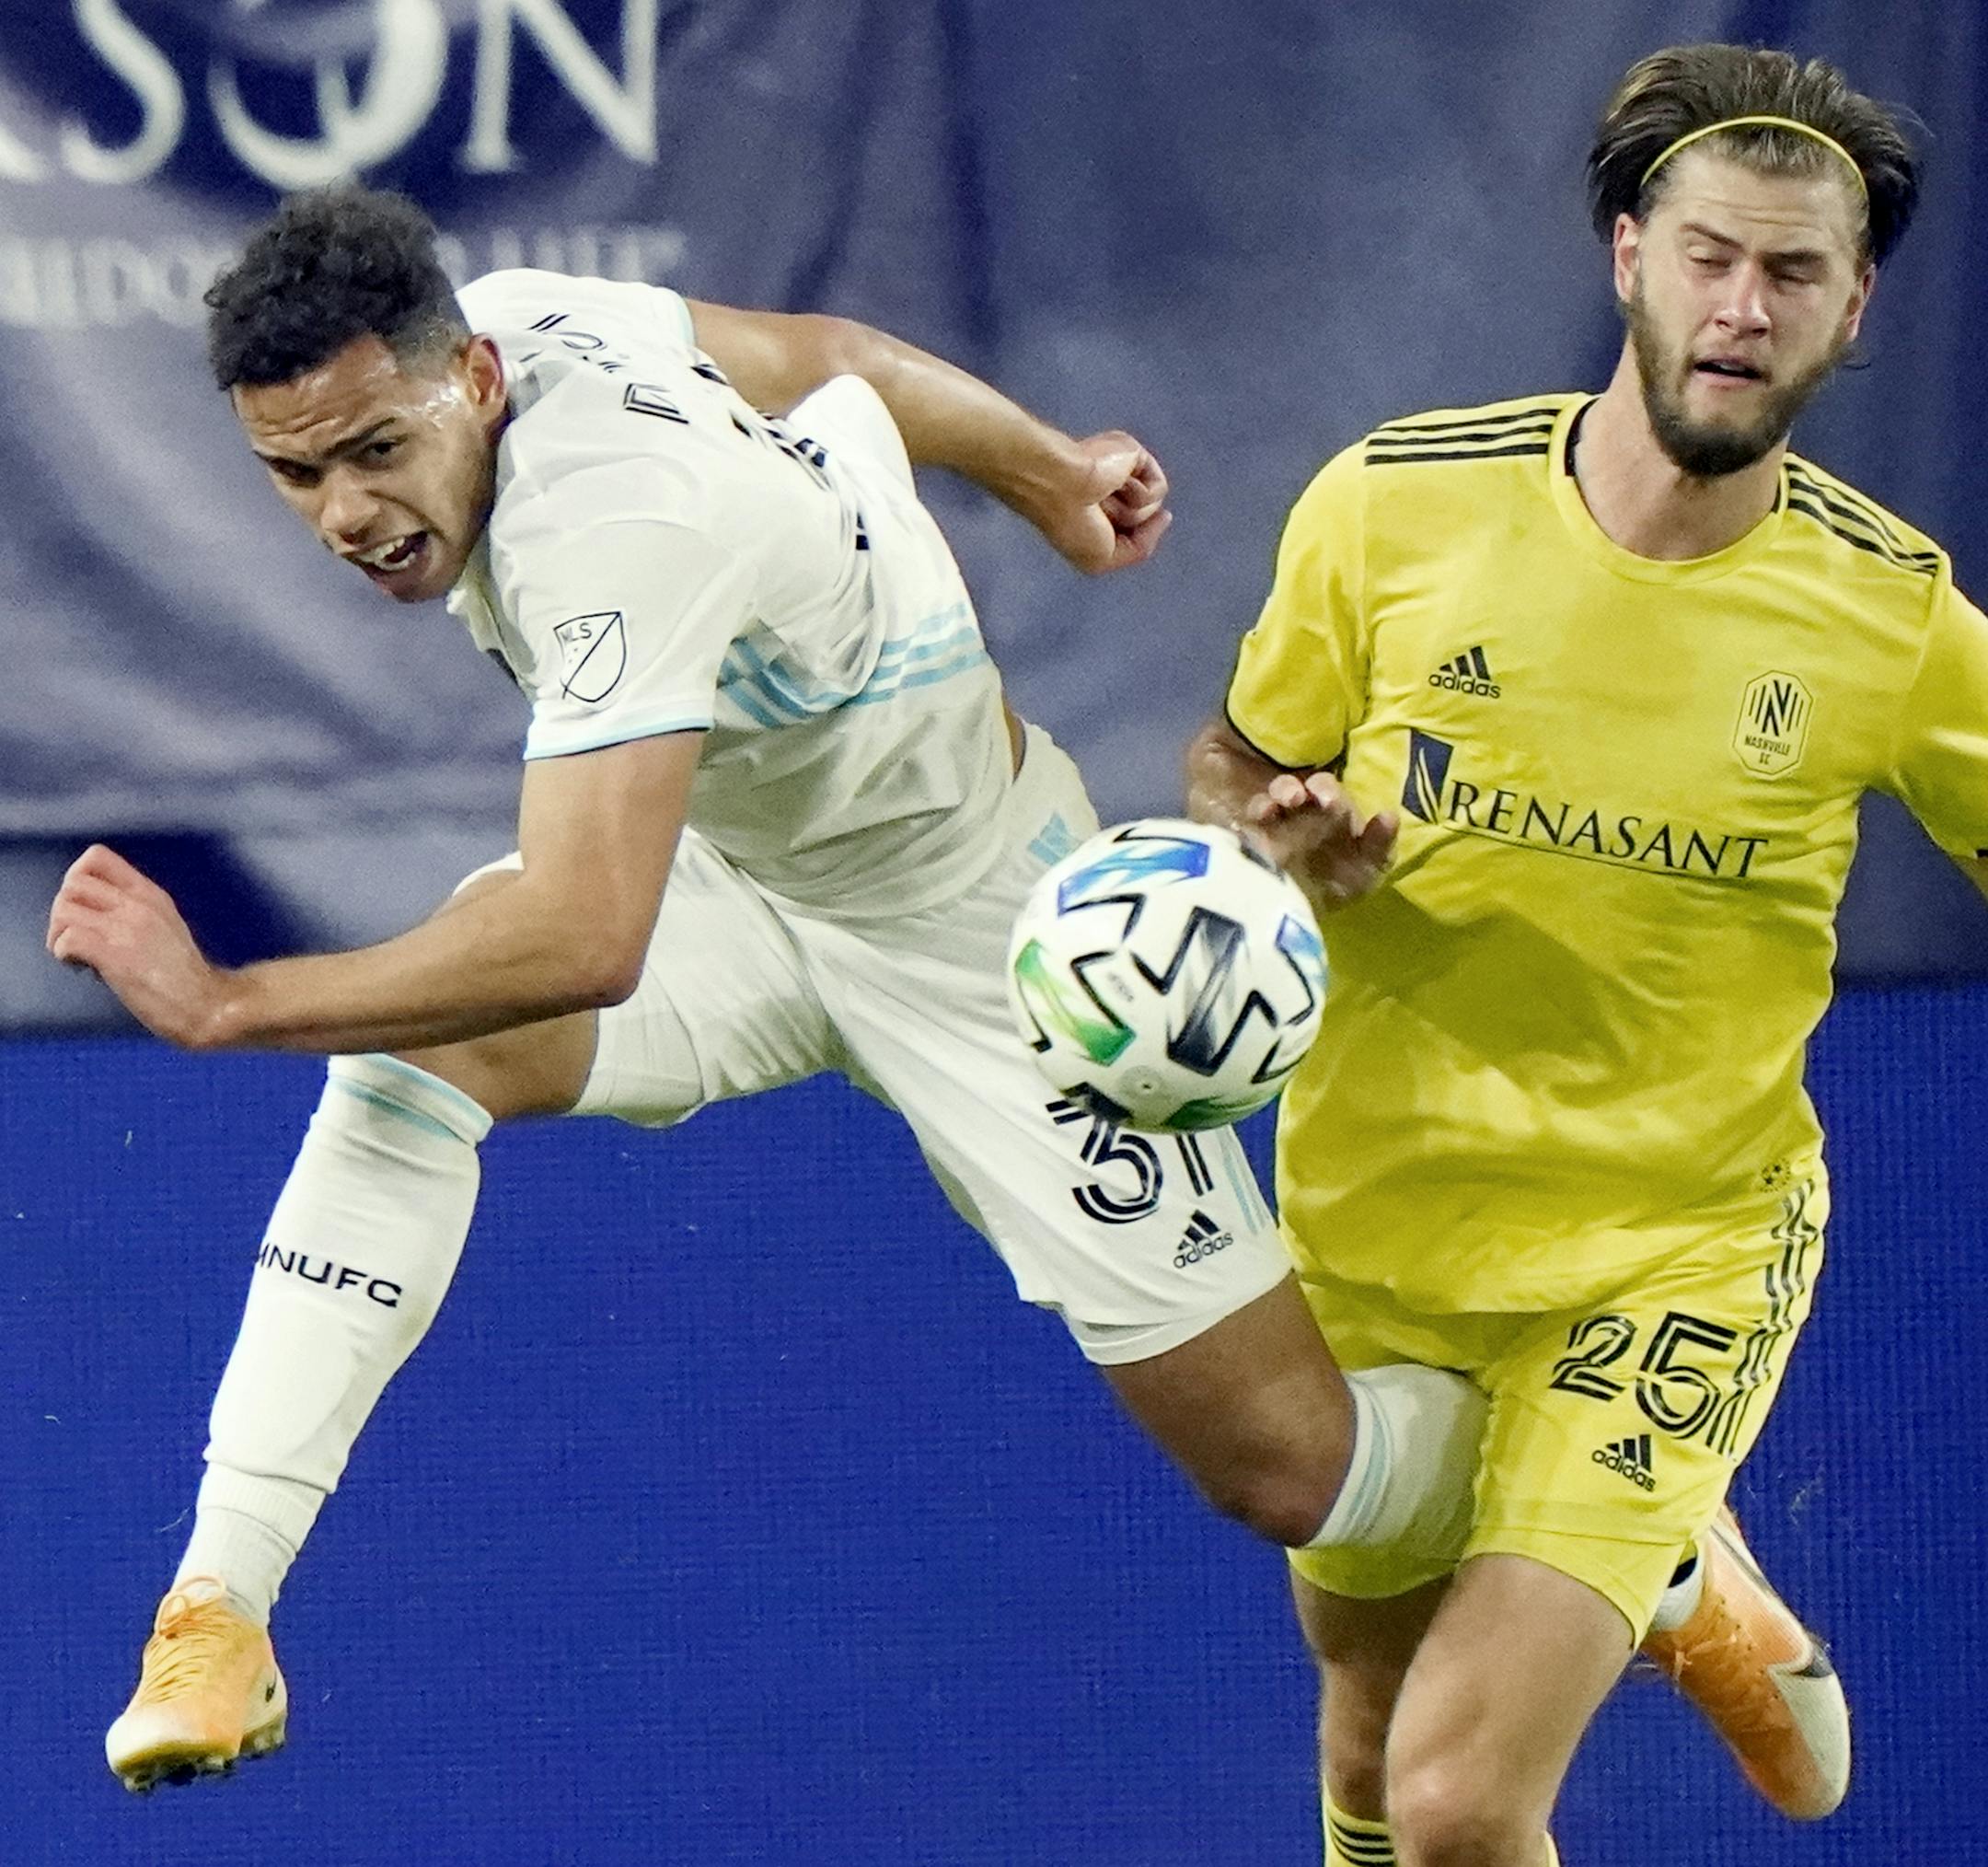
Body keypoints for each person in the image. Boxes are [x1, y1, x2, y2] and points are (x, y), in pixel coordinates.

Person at [48, 188, 1491, 1795]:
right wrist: (1048, 469)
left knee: (1296, 1473)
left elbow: (587, 931)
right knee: (417, 1055)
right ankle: (219, 1604)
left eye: (374, 450)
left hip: (984, 931)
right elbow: (822, 361)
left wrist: (234, 1000)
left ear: (462, 383)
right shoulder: (524, 315)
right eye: (296, 472)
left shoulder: (613, 531)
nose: (344, 512)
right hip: (749, 872)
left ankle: (1615, 1519)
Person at [1187, 41, 1988, 1867]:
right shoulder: (1396, 507)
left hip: (1670, 1250)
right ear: (1628, 253)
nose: (1740, 306)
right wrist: (1282, 837)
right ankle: (1680, 1568)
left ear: (1853, 309)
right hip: (1381, 1220)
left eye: (1793, 274)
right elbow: (1237, 763)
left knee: (1468, 1802)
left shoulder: (1896, 618)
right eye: (1710, 255)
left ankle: (1648, 1517)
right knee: (1379, 1751)